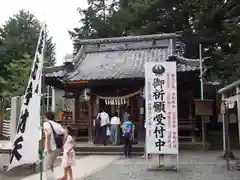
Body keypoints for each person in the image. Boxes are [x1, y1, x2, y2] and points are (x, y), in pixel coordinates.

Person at [43, 111, 65, 180]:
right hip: (57, 148)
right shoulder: (57, 124)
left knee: (46, 167)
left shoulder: (46, 123)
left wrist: (48, 146)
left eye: (44, 116)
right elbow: (64, 133)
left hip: (51, 148)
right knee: (50, 165)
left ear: (46, 117)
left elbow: (49, 133)